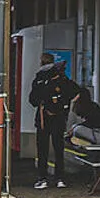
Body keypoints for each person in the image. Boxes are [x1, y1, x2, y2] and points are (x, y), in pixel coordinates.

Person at [28, 53, 79, 189]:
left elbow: (33, 100)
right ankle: (60, 178)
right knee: (59, 149)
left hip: (43, 118)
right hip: (59, 118)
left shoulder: (39, 79)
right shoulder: (63, 80)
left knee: (42, 149)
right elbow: (75, 92)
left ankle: (42, 178)